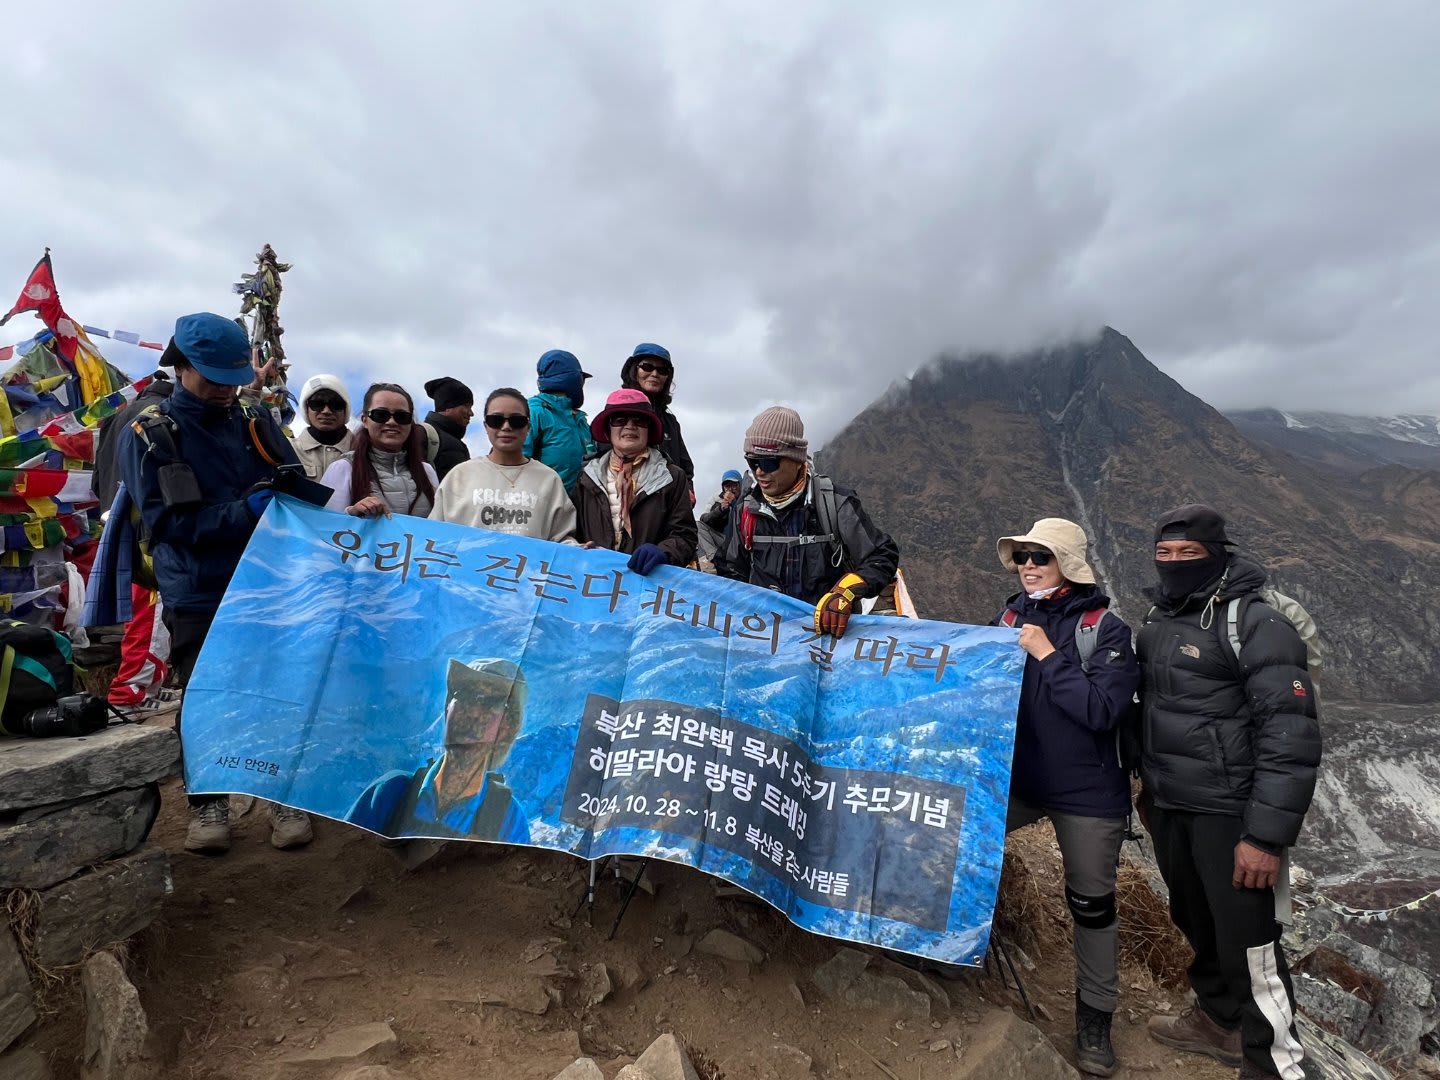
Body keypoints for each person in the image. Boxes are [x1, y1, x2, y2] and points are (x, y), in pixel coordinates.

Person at [117, 313, 313, 854]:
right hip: (198, 587)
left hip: (272, 579)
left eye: (233, 376)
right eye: (213, 378)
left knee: (280, 689)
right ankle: (208, 806)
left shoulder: (252, 415)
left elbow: (290, 477)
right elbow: (170, 526)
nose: (226, 389)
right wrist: (246, 511)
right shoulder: (150, 433)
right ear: (179, 366)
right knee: (208, 696)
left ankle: (282, 796)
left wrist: (295, 493)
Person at [1137, 504, 1320, 1079]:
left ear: (1218, 555)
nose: (1173, 564)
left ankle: (1277, 1065)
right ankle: (1218, 1020)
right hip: (1170, 803)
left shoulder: (1257, 622)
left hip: (1229, 812)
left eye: (1187, 554)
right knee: (1196, 918)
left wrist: (1265, 837)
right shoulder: (1160, 619)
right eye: (1164, 554)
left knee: (1250, 942)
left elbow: (1291, 736)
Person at [994, 519, 1140, 1078]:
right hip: (1021, 780)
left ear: (1068, 566)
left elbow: (1104, 711)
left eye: (1041, 558)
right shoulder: (1010, 616)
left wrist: (1048, 655)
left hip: (1087, 793)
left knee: (1091, 905)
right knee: (961, 843)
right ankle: (958, 951)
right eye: (1023, 557)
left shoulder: (1105, 630)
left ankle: (1095, 1019)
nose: (1028, 566)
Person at [716, 406, 898, 636]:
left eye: (769, 462)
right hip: (767, 637)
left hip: (828, 638)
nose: (759, 472)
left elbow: (882, 555)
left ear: (796, 459)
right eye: (752, 462)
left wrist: (845, 592)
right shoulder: (745, 510)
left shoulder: (835, 504)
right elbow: (729, 568)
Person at [346, 658, 531, 842]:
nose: (474, 712)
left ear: (508, 728)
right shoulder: (390, 792)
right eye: (465, 695)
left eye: (492, 703)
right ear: (447, 709)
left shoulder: (510, 823)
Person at [91, 370, 180, 719]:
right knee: (151, 612)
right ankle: (130, 691)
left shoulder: (116, 418)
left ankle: (146, 686)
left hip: (117, 522)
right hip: (148, 528)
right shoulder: (162, 414)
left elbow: (98, 480)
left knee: (141, 611)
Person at [572, 388, 697, 574]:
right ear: (608, 429)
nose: (630, 425)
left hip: (648, 586)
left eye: (639, 420)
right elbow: (571, 532)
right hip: (595, 582)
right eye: (620, 419)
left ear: (649, 430)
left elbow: (685, 536)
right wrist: (578, 548)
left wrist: (663, 552)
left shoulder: (672, 477)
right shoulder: (585, 477)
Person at [430, 388, 577, 542]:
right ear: (486, 426)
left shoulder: (549, 479)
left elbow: (562, 540)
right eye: (496, 420)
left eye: (516, 421)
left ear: (528, 427)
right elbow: (435, 535)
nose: (506, 427)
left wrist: (584, 552)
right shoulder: (459, 475)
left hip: (529, 566)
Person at [321, 384, 438, 518]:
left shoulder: (427, 471)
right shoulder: (344, 468)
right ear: (365, 420)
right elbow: (325, 526)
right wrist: (352, 513)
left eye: (402, 416)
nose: (392, 422)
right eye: (380, 415)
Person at [620, 344, 693, 487]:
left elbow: (686, 468)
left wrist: (687, 492)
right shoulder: (616, 414)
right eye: (647, 367)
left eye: (662, 370)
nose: (654, 374)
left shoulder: (670, 422)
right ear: (634, 370)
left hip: (669, 504)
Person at [524, 349, 595, 493]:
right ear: (574, 379)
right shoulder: (534, 411)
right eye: (582, 380)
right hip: (543, 508)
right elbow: (513, 462)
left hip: (579, 510)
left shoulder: (580, 420)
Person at [290, 375, 354, 480]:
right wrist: (254, 393)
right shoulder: (288, 448)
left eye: (335, 404)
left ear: (346, 410)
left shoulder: (365, 450)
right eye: (317, 404)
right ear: (306, 409)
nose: (326, 411)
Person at [422, 376, 474, 478]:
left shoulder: (455, 442)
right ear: (447, 408)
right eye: (466, 406)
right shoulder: (424, 435)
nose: (471, 413)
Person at [697, 468, 743, 571]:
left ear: (740, 484)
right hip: (723, 540)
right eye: (727, 486)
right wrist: (720, 510)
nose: (731, 489)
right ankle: (715, 558)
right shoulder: (716, 499)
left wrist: (736, 503)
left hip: (741, 541)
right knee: (698, 525)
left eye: (734, 485)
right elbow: (704, 519)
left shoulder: (747, 499)